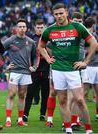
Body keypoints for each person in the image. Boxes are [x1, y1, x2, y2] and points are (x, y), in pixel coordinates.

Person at [38, 3, 97, 134]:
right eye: (56, 14)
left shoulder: (77, 27)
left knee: (80, 100)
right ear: (53, 15)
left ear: (66, 12)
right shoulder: (50, 30)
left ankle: (89, 130)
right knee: (63, 100)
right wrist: (47, 58)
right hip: (57, 70)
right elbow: (41, 46)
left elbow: (94, 43)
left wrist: (86, 61)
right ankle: (68, 129)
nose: (59, 16)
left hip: (73, 70)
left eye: (61, 13)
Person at [4, 19, 37, 127]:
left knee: (22, 95)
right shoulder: (10, 40)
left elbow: (35, 56)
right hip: (14, 71)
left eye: (24, 26)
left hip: (26, 72)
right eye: (20, 26)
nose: (22, 28)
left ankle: (20, 119)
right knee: (11, 94)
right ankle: (8, 119)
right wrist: (5, 66)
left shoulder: (31, 42)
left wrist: (34, 66)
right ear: (16, 28)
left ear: (26, 28)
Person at [23, 19, 49, 122]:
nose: (40, 29)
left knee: (45, 93)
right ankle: (25, 114)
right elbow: (27, 53)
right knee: (30, 92)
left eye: (41, 27)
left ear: (45, 28)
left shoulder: (49, 39)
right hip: (35, 69)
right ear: (35, 28)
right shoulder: (31, 39)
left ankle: (42, 114)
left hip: (46, 68)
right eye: (38, 28)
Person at [84, 17, 98, 121]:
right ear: (93, 25)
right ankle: (80, 117)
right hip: (88, 66)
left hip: (91, 66)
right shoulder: (87, 35)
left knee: (84, 93)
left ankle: (80, 117)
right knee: (83, 93)